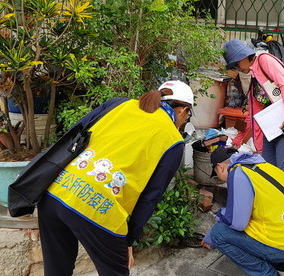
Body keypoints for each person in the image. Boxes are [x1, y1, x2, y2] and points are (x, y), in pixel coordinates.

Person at [37, 80, 194, 275]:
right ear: (182, 110)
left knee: (56, 271)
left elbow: (75, 136)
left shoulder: (118, 104)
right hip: (97, 207)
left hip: (55, 191)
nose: (185, 121)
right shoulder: (173, 141)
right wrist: (128, 241)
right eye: (188, 115)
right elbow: (149, 198)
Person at [201, 146, 284, 276]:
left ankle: (267, 272)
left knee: (218, 233)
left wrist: (212, 232)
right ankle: (282, 264)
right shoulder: (264, 166)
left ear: (221, 167)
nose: (220, 179)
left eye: (218, 175)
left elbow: (238, 223)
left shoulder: (237, 173)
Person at [223, 39, 284, 187]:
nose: (237, 69)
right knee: (269, 172)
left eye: (236, 64)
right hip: (271, 128)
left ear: (243, 56)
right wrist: (238, 139)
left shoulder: (264, 60)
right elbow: (252, 114)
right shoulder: (253, 75)